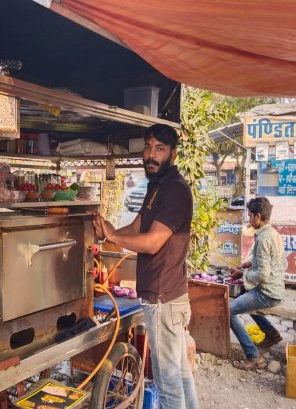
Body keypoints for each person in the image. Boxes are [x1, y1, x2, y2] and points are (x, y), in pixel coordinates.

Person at [91, 124, 198, 409]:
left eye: (159, 149)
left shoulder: (175, 190)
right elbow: (136, 227)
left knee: (168, 383)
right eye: (148, 147)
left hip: (164, 298)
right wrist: (108, 230)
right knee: (181, 374)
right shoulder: (156, 186)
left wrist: (113, 237)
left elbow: (151, 242)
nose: (151, 155)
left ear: (173, 154)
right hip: (165, 297)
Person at [229, 196, 286, 370]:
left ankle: (253, 355)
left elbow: (262, 274)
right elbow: (270, 262)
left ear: (258, 216)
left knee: (229, 311)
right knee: (243, 296)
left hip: (267, 293)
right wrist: (250, 264)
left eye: (250, 215)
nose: (249, 219)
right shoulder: (272, 232)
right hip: (275, 288)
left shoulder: (263, 238)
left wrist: (243, 273)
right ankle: (271, 333)